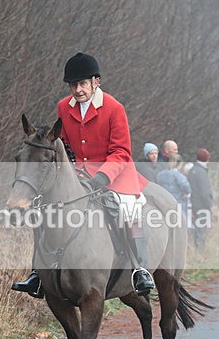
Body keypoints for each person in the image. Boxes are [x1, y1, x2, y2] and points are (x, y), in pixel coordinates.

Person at [12, 52, 156, 297]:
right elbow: (64, 147)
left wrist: (102, 176)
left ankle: (139, 269)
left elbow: (121, 151)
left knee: (128, 209)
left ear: (95, 82)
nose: (77, 90)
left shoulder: (114, 108)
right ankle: (37, 273)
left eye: (82, 84)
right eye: (73, 85)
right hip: (78, 174)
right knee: (46, 209)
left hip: (116, 174)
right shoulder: (63, 107)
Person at [186, 148, 214, 250]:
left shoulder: (192, 170)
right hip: (202, 204)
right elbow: (204, 191)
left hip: (194, 203)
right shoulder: (201, 172)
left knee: (198, 227)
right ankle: (200, 250)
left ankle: (198, 248)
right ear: (207, 158)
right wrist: (209, 204)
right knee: (201, 229)